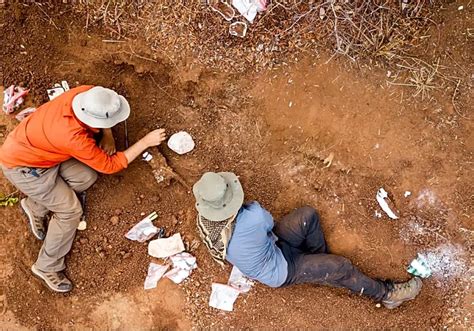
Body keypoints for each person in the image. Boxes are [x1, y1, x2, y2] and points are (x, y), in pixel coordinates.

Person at [0, 85, 166, 293]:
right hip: (25, 168)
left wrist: (108, 135)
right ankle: (46, 266)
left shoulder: (87, 94)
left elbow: (102, 118)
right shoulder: (72, 138)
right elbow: (111, 165)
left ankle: (36, 206)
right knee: (70, 211)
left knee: (86, 176)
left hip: (40, 151)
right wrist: (144, 142)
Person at [193, 172, 423, 309]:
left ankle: (320, 264)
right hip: (279, 270)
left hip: (272, 247)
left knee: (307, 216)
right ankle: (387, 295)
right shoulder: (252, 216)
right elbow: (269, 222)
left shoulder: (206, 221)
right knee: (341, 266)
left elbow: (264, 231)